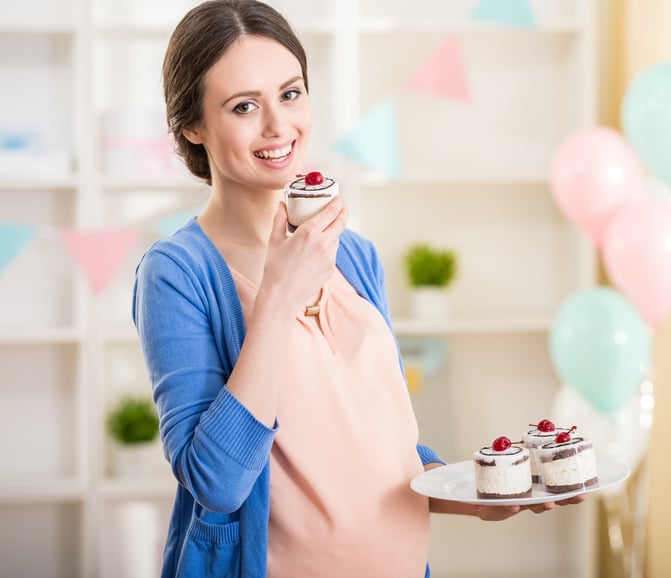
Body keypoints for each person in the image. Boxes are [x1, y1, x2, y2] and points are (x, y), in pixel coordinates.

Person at [132, 1, 583, 576]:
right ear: (191, 127)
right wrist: (278, 296)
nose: (278, 126)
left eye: (290, 94)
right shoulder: (176, 273)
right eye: (244, 106)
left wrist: (479, 498)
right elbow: (215, 483)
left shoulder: (356, 256)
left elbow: (383, 453)